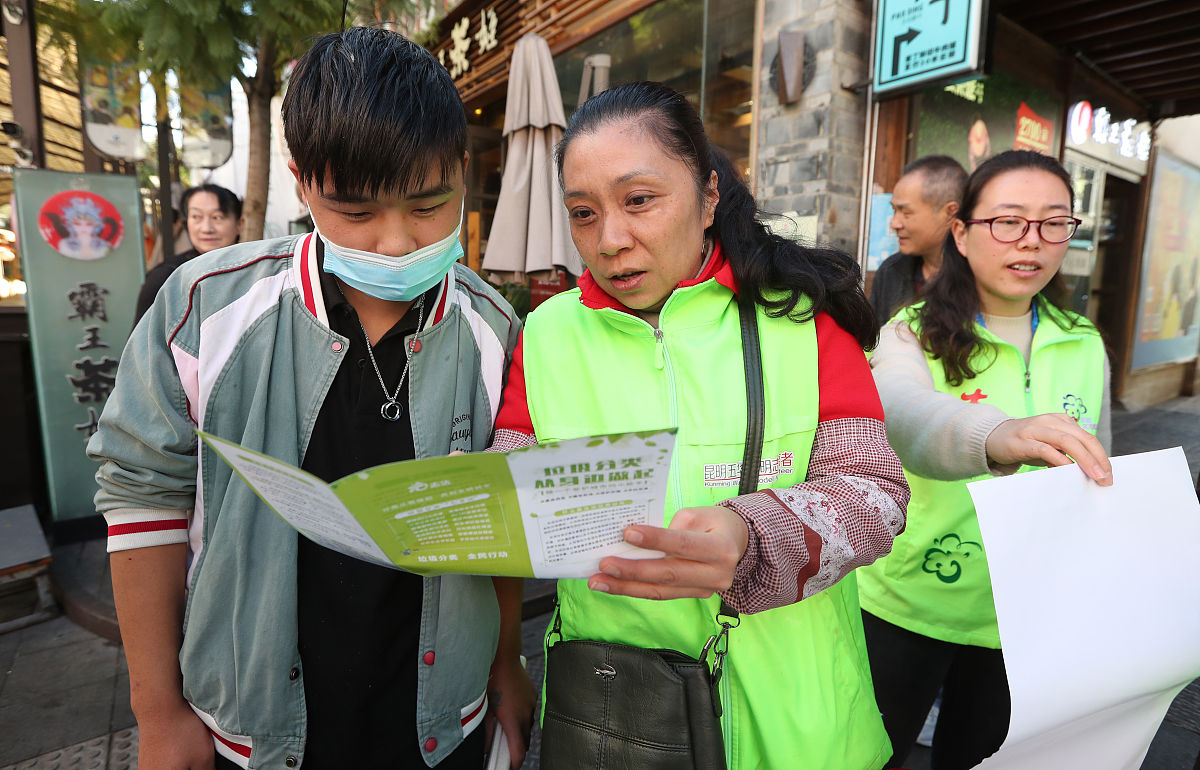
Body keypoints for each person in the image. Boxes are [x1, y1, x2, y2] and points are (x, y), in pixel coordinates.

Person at [88, 27, 533, 770]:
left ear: (463, 171)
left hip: (440, 723)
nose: (395, 242)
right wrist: (158, 712)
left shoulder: (494, 329)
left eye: (429, 205)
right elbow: (142, 497)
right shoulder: (205, 308)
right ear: (301, 183)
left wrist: (506, 664)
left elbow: (502, 518)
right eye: (356, 213)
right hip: (250, 726)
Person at [489, 81, 910, 769]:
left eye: (639, 200)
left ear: (709, 196)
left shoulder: (800, 319)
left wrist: (753, 533)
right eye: (584, 214)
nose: (610, 240)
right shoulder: (546, 335)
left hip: (799, 722)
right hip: (616, 713)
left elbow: (876, 494)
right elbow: (513, 495)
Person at [859, 149, 1114, 770]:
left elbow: (1102, 471)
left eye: (1054, 222)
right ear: (962, 233)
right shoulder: (908, 332)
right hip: (907, 602)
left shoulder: (1083, 342)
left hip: (1022, 615)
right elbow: (901, 414)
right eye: (1008, 220)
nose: (1031, 240)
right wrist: (999, 434)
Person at [870, 155, 967, 323]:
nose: (894, 223)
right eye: (894, 210)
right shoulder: (890, 273)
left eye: (906, 212)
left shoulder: (981, 277)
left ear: (951, 213)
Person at [134, 183, 242, 325]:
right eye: (196, 216)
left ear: (239, 224)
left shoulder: (256, 273)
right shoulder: (166, 278)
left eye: (217, 217)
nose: (206, 228)